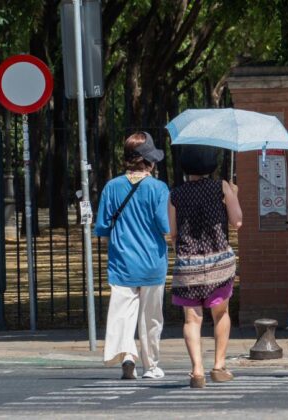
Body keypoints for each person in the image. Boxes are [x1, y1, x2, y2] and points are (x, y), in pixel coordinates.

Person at [95, 132, 169, 380]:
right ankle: (152, 365)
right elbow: (164, 225)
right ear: (148, 160)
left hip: (122, 262)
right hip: (152, 262)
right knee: (151, 318)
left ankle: (127, 355)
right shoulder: (158, 188)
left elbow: (103, 228)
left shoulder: (111, 187)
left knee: (123, 315)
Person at [168, 145, 242, 388]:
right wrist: (234, 194)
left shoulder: (175, 194)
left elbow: (173, 233)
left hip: (188, 265)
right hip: (218, 262)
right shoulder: (221, 187)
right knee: (221, 313)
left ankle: (196, 370)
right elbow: (237, 221)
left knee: (191, 319)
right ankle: (219, 366)